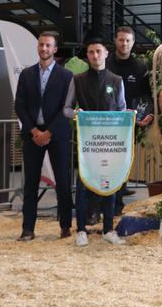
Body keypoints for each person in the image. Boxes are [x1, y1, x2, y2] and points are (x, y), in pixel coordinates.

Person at [64, 37, 127, 247]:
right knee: (83, 186)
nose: (95, 56)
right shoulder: (78, 80)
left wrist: (131, 116)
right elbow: (66, 108)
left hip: (109, 143)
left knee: (109, 185)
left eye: (98, 51)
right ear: (87, 55)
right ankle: (81, 230)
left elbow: (122, 109)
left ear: (106, 54)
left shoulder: (117, 80)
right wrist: (75, 113)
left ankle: (109, 229)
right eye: (91, 52)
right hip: (88, 145)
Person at [14, 31, 74, 241]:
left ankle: (65, 226)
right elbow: (19, 105)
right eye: (41, 45)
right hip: (32, 135)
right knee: (30, 183)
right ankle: (28, 229)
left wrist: (48, 132)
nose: (44, 49)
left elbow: (67, 108)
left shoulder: (66, 76)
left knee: (63, 182)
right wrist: (34, 131)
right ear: (37, 47)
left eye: (48, 45)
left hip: (56, 135)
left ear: (55, 49)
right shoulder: (26, 74)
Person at [105, 26, 153, 215]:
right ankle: (104, 203)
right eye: (121, 40)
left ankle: (116, 204)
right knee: (105, 164)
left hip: (129, 125)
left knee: (123, 163)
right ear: (115, 41)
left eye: (128, 40)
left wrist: (149, 113)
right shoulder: (106, 64)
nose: (124, 43)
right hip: (106, 123)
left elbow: (147, 96)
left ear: (133, 43)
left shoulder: (140, 67)